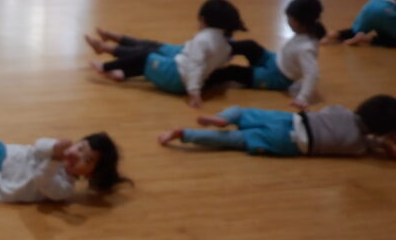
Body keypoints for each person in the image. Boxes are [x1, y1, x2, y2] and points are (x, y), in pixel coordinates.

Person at [89, 0, 248, 108]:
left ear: (203, 20)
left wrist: (194, 93)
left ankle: (105, 66)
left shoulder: (203, 39)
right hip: (181, 63)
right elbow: (214, 63)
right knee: (152, 48)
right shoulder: (227, 43)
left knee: (146, 56)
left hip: (176, 78)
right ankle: (118, 64)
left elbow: (196, 66)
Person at [158, 95, 396, 159]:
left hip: (291, 120)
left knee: (241, 112)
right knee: (232, 140)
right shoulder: (357, 146)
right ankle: (184, 134)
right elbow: (368, 144)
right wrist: (384, 143)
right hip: (290, 143)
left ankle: (223, 117)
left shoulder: (340, 111)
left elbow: (326, 114)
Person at [205, 0, 325, 109]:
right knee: (250, 46)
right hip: (273, 60)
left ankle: (204, 79)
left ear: (298, 21)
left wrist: (303, 98)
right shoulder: (305, 32)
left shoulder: (306, 48)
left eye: (289, 18)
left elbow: (312, 74)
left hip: (278, 78)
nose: (287, 21)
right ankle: (213, 50)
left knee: (234, 72)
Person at [323, 0, 396, 47]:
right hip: (388, 9)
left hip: (372, 4)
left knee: (354, 31)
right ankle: (366, 39)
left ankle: (331, 34)